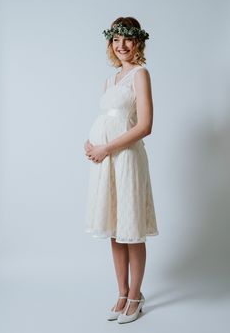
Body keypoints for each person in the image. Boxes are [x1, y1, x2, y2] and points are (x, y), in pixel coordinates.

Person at [84, 16, 159, 324]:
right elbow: (107, 119)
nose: (121, 45)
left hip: (126, 159)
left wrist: (106, 147)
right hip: (106, 162)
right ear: (110, 44)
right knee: (115, 228)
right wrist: (91, 142)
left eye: (127, 39)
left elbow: (144, 126)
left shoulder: (140, 74)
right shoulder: (110, 79)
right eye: (116, 40)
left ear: (137, 41)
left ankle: (135, 295)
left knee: (131, 229)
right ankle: (121, 291)